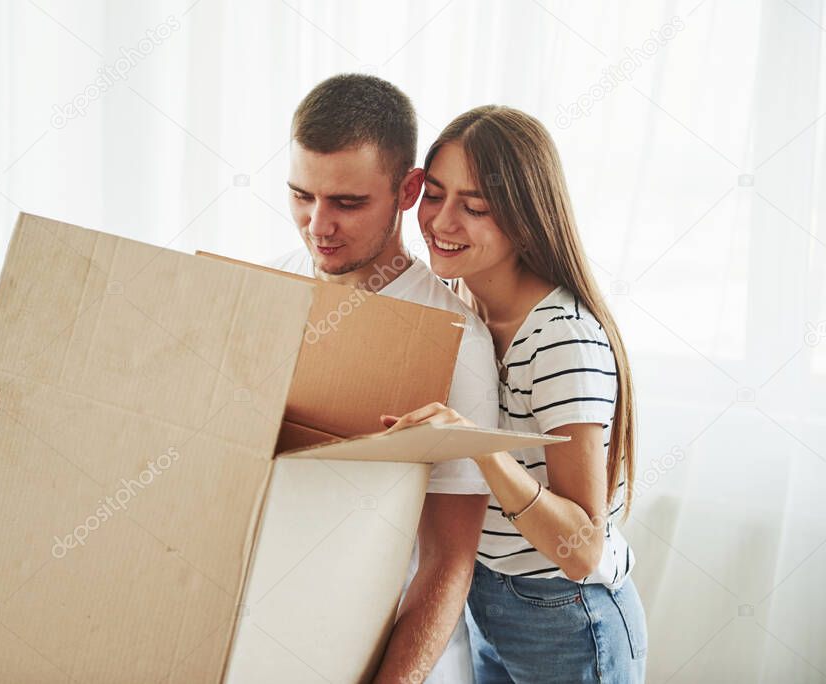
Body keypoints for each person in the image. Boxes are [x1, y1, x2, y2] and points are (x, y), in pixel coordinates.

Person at [383, 105, 647, 683]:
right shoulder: (462, 303)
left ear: (526, 220)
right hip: (489, 599)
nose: (442, 222)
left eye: (474, 207)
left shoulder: (560, 340)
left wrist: (478, 445)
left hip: (566, 615)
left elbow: (580, 548)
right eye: (433, 194)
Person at [268, 74, 499, 683]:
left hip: (368, 650)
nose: (318, 225)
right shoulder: (263, 292)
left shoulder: (455, 342)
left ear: (408, 190)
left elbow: (449, 559)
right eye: (301, 195)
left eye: (347, 203)